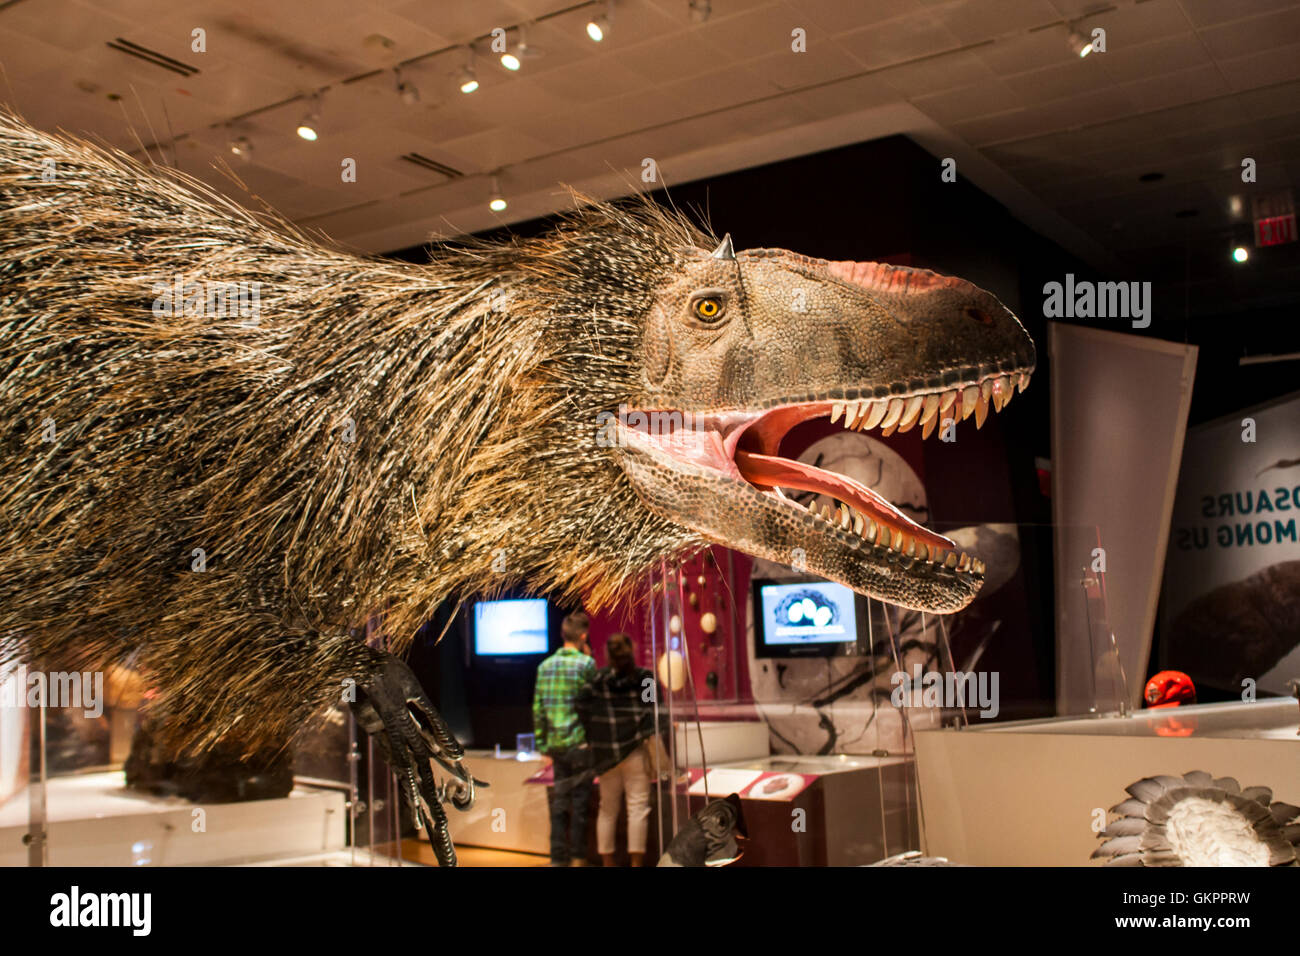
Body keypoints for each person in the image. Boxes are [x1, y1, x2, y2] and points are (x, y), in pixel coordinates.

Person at [576, 632, 665, 867]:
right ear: (632, 651)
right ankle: (636, 863)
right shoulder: (646, 678)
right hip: (636, 750)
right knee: (637, 809)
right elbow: (656, 712)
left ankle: (608, 863)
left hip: (605, 754)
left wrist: (594, 733)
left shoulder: (597, 680)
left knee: (607, 810)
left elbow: (581, 708)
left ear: (607, 654)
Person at [532, 609, 596, 866]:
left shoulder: (544, 666)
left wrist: (543, 745)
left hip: (556, 746)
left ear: (562, 635)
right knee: (580, 805)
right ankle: (578, 859)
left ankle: (558, 860)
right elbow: (593, 704)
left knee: (559, 804)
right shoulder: (586, 665)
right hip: (580, 744)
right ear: (583, 636)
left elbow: (538, 710)